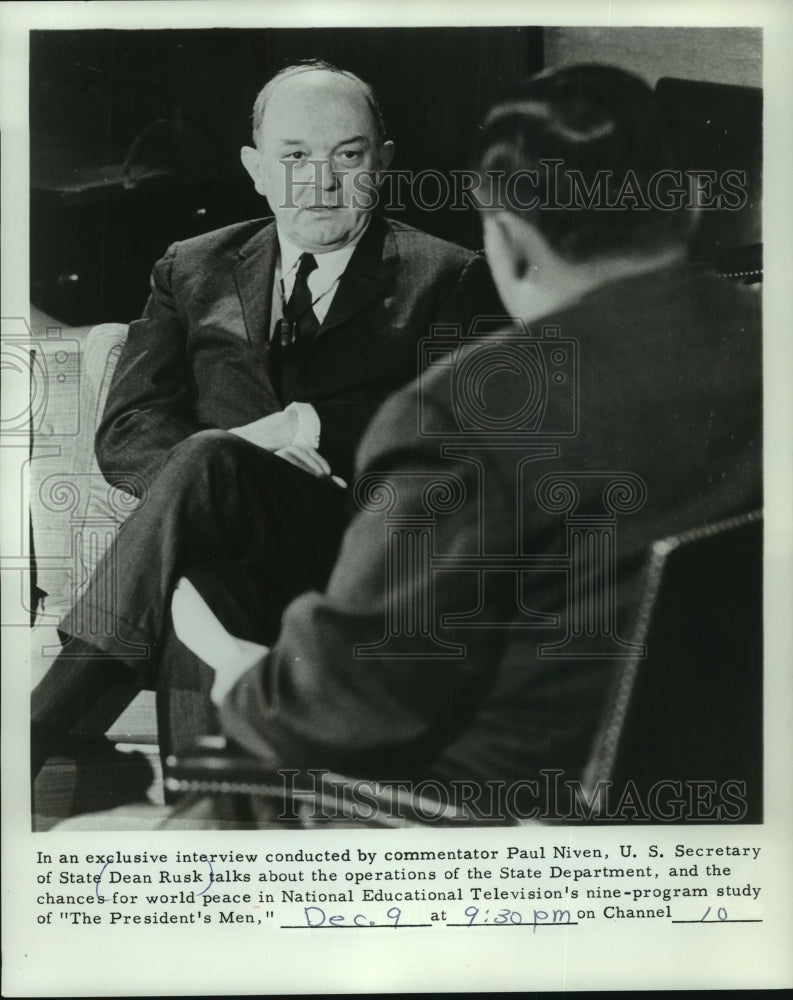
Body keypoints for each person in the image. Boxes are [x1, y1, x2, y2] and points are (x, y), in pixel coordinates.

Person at [163, 63, 762, 827]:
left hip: (489, 828)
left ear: (507, 240)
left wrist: (245, 679)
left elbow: (346, 708)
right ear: (684, 203)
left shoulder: (460, 416)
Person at [31, 60, 497, 776]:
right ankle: (210, 808)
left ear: (385, 163)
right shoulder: (190, 267)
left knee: (208, 467)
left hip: (349, 541)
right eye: (294, 157)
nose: (321, 181)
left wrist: (305, 427)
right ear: (254, 169)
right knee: (202, 571)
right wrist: (231, 465)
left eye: (349, 155)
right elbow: (129, 428)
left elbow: (454, 434)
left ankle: (41, 730)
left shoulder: (450, 275)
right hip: (213, 543)